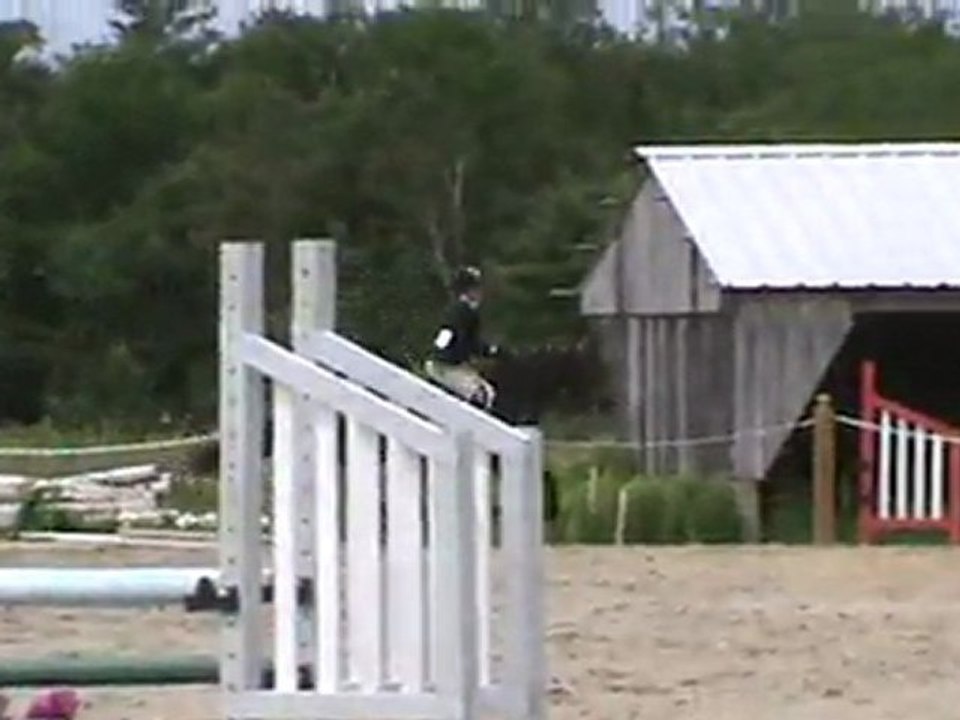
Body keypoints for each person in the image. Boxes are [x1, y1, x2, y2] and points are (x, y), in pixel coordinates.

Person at [424, 265, 500, 410]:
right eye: (477, 288)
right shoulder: (466, 313)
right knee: (482, 395)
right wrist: (490, 350)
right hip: (447, 367)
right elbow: (466, 341)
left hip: (438, 363)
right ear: (470, 290)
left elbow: (445, 338)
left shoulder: (453, 309)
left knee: (485, 391)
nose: (480, 292)